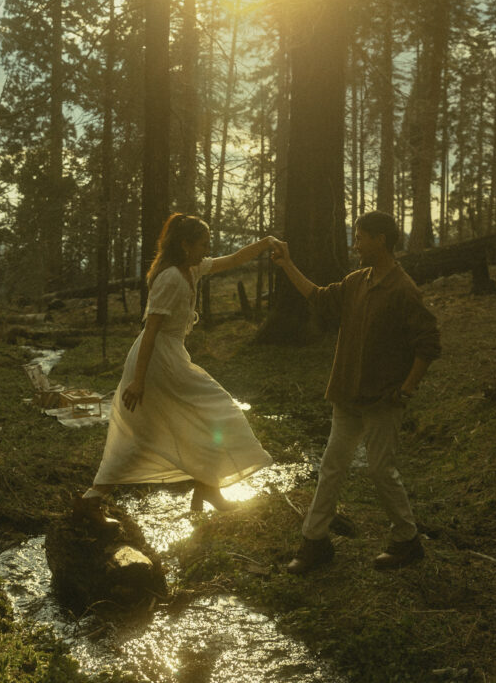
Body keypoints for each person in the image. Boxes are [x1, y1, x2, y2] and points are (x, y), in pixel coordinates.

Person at [272, 211, 441, 573]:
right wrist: (287, 264)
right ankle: (315, 541)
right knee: (331, 466)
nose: (356, 245)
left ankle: (407, 540)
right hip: (347, 394)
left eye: (361, 238)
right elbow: (318, 296)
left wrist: (407, 389)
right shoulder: (356, 281)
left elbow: (428, 343)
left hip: (383, 399)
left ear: (381, 240)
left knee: (380, 470)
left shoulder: (403, 289)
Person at [79, 213, 275, 516]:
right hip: (157, 362)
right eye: (202, 244)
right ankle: (91, 499)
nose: (206, 250)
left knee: (200, 419)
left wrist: (266, 242)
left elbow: (235, 259)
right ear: (185, 245)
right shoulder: (170, 277)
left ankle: (207, 489)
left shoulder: (192, 269)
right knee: (169, 426)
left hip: (171, 357)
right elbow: (151, 331)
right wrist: (138, 381)